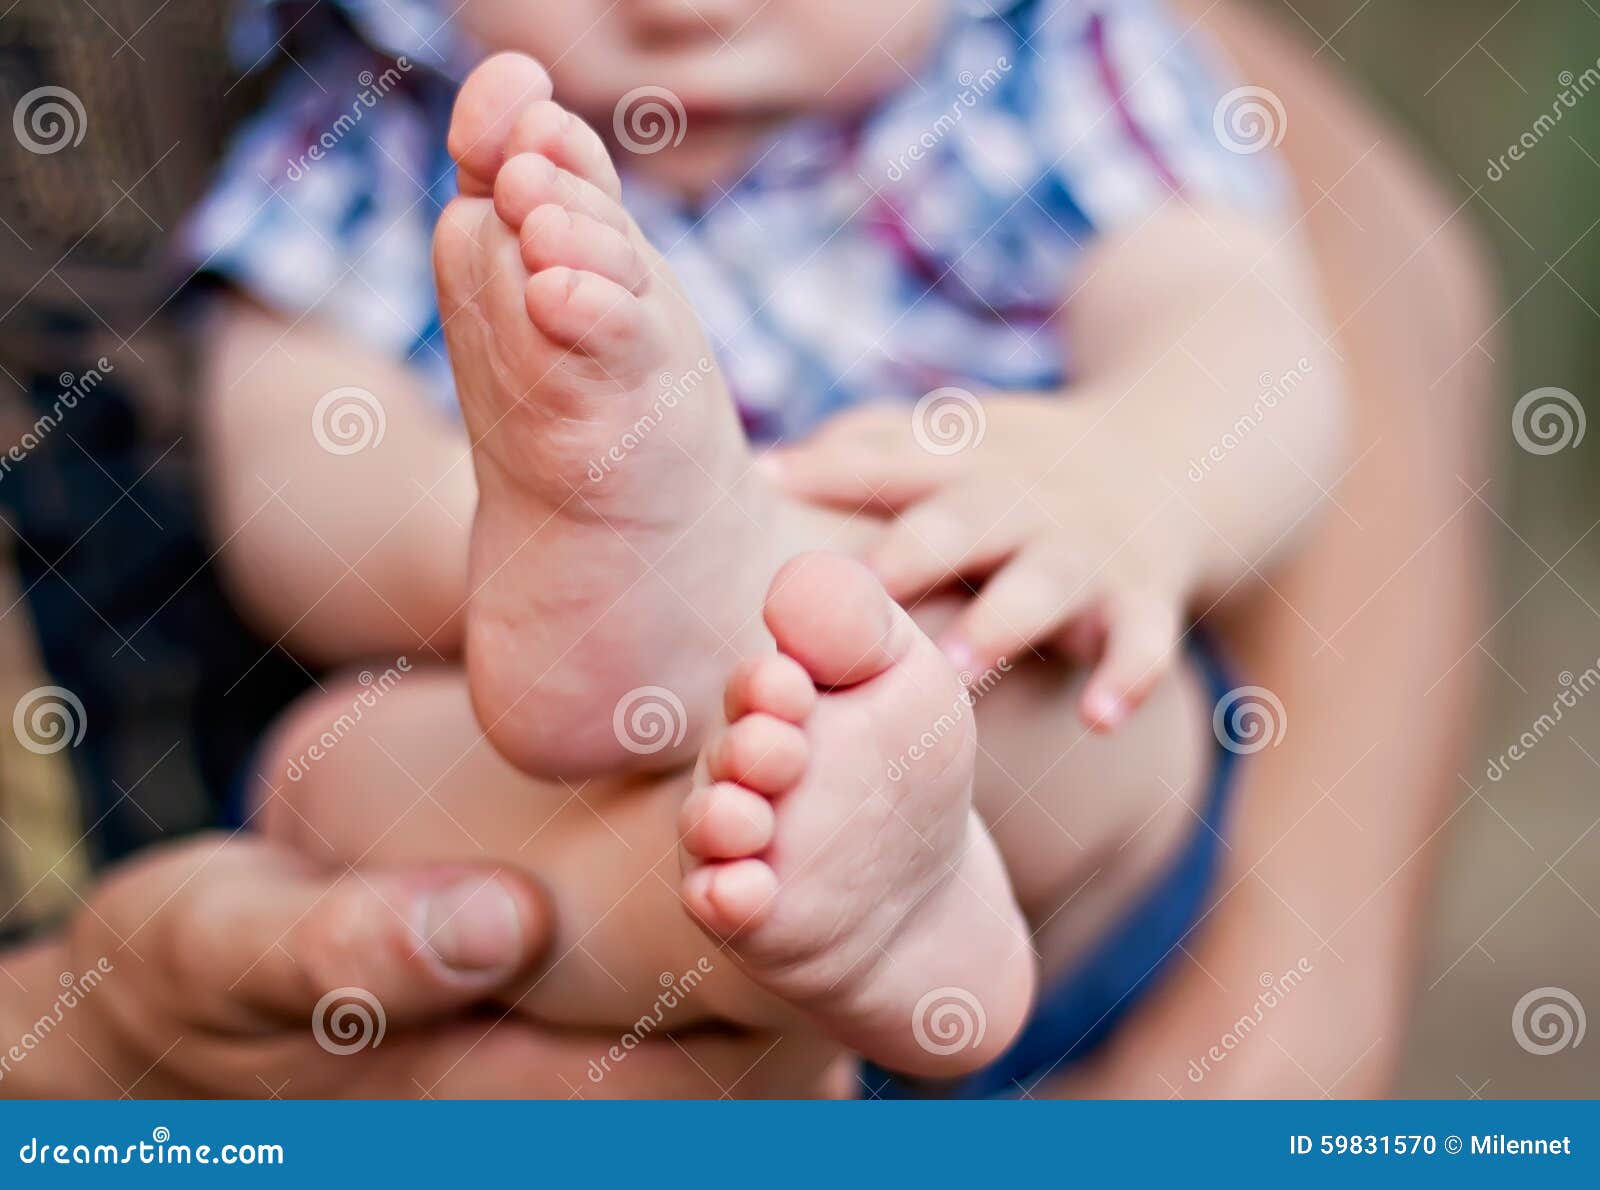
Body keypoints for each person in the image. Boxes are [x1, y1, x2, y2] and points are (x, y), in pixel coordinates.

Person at [192, 0, 1350, 1089]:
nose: (682, 12)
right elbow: (293, 472)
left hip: (991, 720)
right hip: (559, 807)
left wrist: (1125, 469)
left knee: (1083, 693)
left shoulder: (1047, 73)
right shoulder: (388, 131)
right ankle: (770, 921)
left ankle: (770, 643)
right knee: (327, 769)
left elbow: (1242, 334)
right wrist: (493, 527)